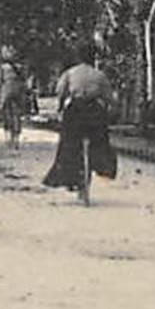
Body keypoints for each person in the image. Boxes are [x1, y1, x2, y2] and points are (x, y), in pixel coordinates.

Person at [43, 46, 118, 204]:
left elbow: (60, 91)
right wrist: (109, 111)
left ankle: (66, 173)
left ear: (78, 57)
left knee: (68, 144)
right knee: (101, 142)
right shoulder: (99, 75)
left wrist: (61, 106)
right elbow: (109, 97)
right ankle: (103, 166)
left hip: (75, 111)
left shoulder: (71, 73)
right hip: (94, 113)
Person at [0, 46, 26, 149]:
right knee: (17, 114)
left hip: (6, 90)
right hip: (18, 91)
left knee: (5, 113)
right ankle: (16, 139)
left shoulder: (3, 68)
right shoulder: (20, 67)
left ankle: (8, 139)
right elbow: (24, 81)